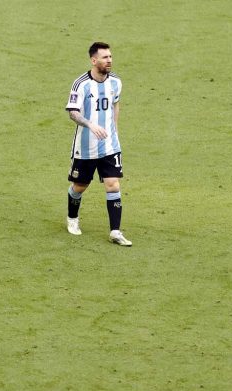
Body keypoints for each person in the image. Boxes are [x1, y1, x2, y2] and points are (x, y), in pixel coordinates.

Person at [65, 41, 132, 246]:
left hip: (109, 145)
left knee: (113, 184)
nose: (109, 60)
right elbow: (73, 112)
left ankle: (115, 231)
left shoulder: (116, 82)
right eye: (105, 57)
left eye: (110, 56)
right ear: (94, 61)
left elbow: (115, 105)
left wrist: (115, 131)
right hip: (85, 147)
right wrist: (90, 125)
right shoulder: (81, 84)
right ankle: (72, 218)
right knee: (80, 186)